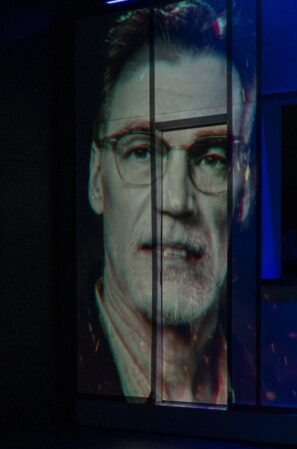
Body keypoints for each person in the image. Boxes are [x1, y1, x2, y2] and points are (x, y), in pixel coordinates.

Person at [78, 0, 255, 404]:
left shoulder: (282, 382)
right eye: (141, 152)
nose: (175, 200)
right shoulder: (32, 384)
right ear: (96, 179)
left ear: (245, 191)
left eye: (213, 158)